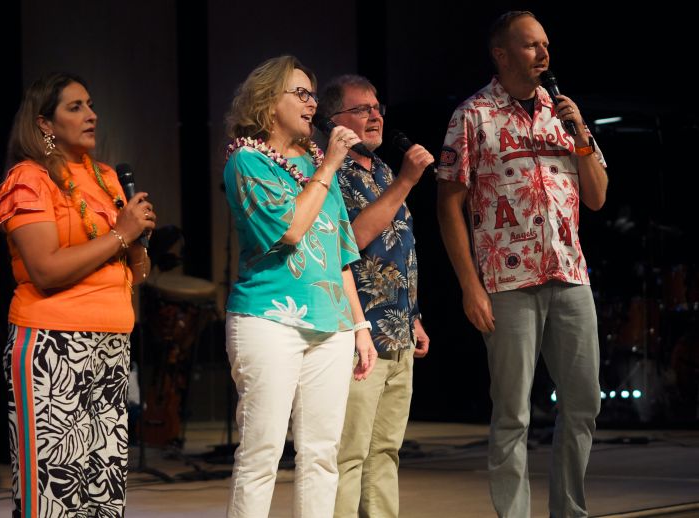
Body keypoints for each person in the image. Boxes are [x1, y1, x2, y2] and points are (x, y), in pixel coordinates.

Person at [436, 11, 609, 517]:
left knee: (584, 406)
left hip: (570, 275)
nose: (543, 54)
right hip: (507, 281)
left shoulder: (564, 114)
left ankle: (569, 511)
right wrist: (470, 285)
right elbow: (449, 204)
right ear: (502, 54)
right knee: (512, 414)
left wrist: (579, 133)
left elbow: (597, 197)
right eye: (531, 46)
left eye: (546, 45)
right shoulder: (473, 115)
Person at [0, 72, 156, 517]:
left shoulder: (105, 178)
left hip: (111, 346)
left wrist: (137, 238)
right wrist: (120, 235)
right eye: (75, 107)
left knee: (101, 494)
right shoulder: (28, 180)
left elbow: (136, 274)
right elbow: (44, 269)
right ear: (45, 124)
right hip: (51, 346)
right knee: (53, 494)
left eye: (91, 105)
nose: (92, 115)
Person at [222, 55, 377, 517]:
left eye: (314, 95)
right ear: (269, 102)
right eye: (302, 93)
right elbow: (289, 230)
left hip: (331, 323)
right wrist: (328, 166)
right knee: (261, 455)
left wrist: (360, 325)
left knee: (322, 456)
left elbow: (341, 254)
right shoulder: (246, 162)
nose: (313, 103)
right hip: (269, 320)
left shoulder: (314, 162)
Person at [316, 75, 432, 518]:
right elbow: (355, 239)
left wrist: (414, 315)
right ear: (333, 122)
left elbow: (399, 249)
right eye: (362, 108)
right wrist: (405, 182)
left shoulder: (383, 170)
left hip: (398, 330)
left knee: (385, 450)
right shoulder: (328, 173)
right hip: (356, 333)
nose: (376, 114)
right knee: (350, 453)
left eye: (377, 106)